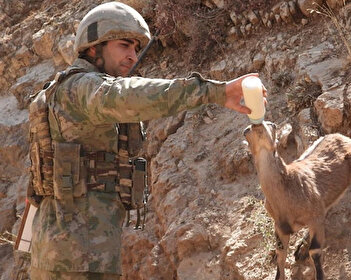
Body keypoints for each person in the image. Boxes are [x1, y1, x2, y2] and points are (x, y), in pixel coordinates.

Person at [28, 2, 265, 279]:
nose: (132, 56)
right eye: (124, 45)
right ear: (93, 48)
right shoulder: (81, 88)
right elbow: (127, 95)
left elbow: (36, 181)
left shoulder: (62, 91)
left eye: (136, 49)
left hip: (71, 254)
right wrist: (214, 92)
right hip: (79, 258)